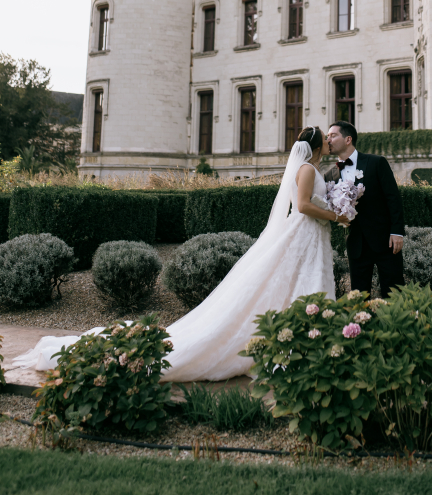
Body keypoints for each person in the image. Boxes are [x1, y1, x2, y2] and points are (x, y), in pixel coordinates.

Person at [13, 127, 348, 382]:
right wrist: (337, 215)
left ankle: (307, 341)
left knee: (298, 286)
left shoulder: (316, 170)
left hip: (311, 239)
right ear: (318, 146)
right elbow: (303, 206)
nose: (332, 141)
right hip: (303, 235)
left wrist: (337, 205)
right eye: (328, 138)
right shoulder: (306, 170)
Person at [325, 120, 404, 298]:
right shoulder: (329, 175)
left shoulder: (376, 163)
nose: (328, 139)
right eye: (327, 136)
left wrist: (397, 231)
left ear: (348, 139)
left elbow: (393, 198)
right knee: (359, 297)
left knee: (394, 293)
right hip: (355, 244)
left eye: (332, 135)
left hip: (386, 241)